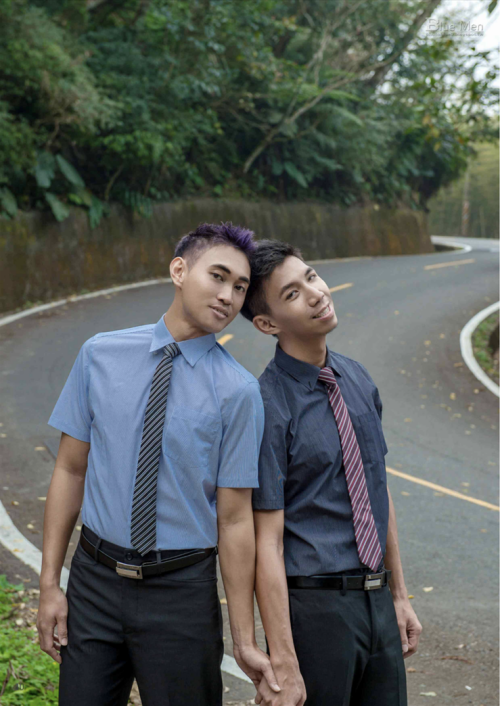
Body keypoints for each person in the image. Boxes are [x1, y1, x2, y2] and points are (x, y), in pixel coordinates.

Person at [37, 223, 280, 706]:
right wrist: (49, 585)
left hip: (181, 594)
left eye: (240, 287)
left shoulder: (239, 392)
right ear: (179, 270)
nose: (228, 296)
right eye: (218, 276)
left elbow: (234, 521)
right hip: (94, 582)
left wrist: (244, 639)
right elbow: (69, 470)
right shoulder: (99, 354)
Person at [241, 240, 422, 706]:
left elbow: (377, 491)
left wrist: (399, 596)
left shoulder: (358, 378)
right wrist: (283, 656)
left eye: (312, 276)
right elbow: (267, 542)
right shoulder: (266, 405)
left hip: (377, 601)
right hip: (316, 611)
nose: (316, 293)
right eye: (292, 294)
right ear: (267, 324)